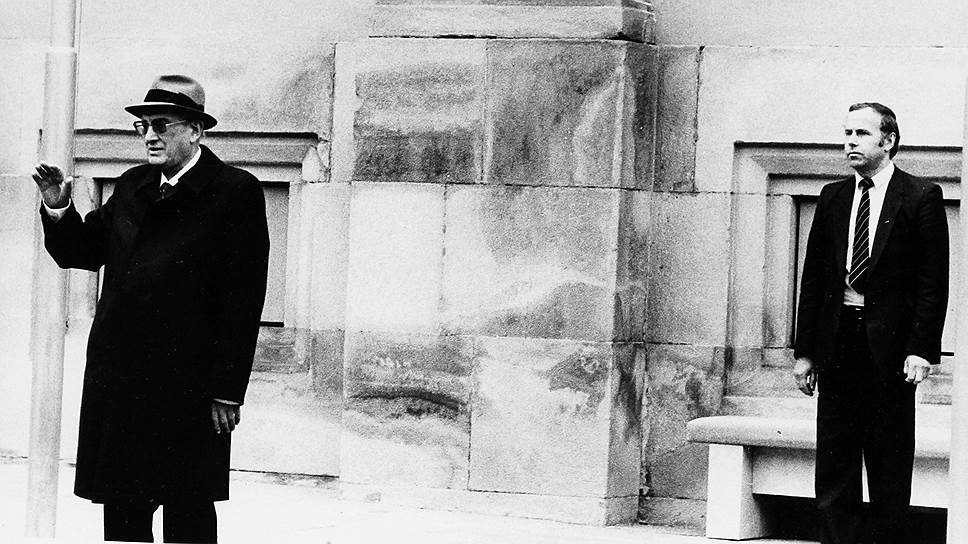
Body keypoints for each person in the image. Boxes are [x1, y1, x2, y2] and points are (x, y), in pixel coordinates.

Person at [32, 75, 269, 543]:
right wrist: (58, 206)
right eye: (142, 126)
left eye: (162, 124)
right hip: (122, 380)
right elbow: (82, 250)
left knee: (188, 509)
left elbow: (243, 299)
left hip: (189, 386)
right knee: (123, 509)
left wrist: (227, 389)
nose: (150, 136)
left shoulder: (234, 191)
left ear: (195, 130)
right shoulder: (132, 184)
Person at [793, 102, 948, 544]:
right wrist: (805, 353)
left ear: (888, 140)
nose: (850, 142)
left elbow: (932, 282)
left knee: (889, 462)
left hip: (892, 350)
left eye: (861, 133)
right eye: (846, 133)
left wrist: (921, 349)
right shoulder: (833, 196)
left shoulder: (920, 196)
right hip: (838, 343)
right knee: (835, 462)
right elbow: (814, 279)